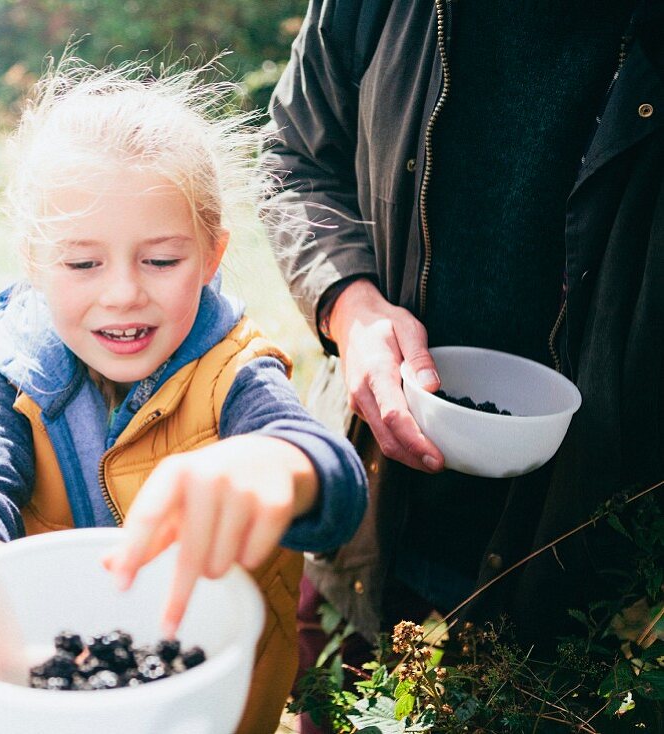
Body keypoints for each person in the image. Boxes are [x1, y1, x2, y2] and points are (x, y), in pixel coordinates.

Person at [0, 59, 368, 734]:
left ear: (212, 256)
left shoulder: (235, 373)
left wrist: (275, 464)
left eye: (160, 260)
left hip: (210, 712)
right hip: (56, 698)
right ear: (33, 259)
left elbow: (329, 475)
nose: (123, 292)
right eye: (82, 263)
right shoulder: (14, 369)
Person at [260, 0, 663, 731]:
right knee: (327, 697)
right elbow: (295, 159)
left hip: (589, 554)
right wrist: (351, 309)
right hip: (374, 499)